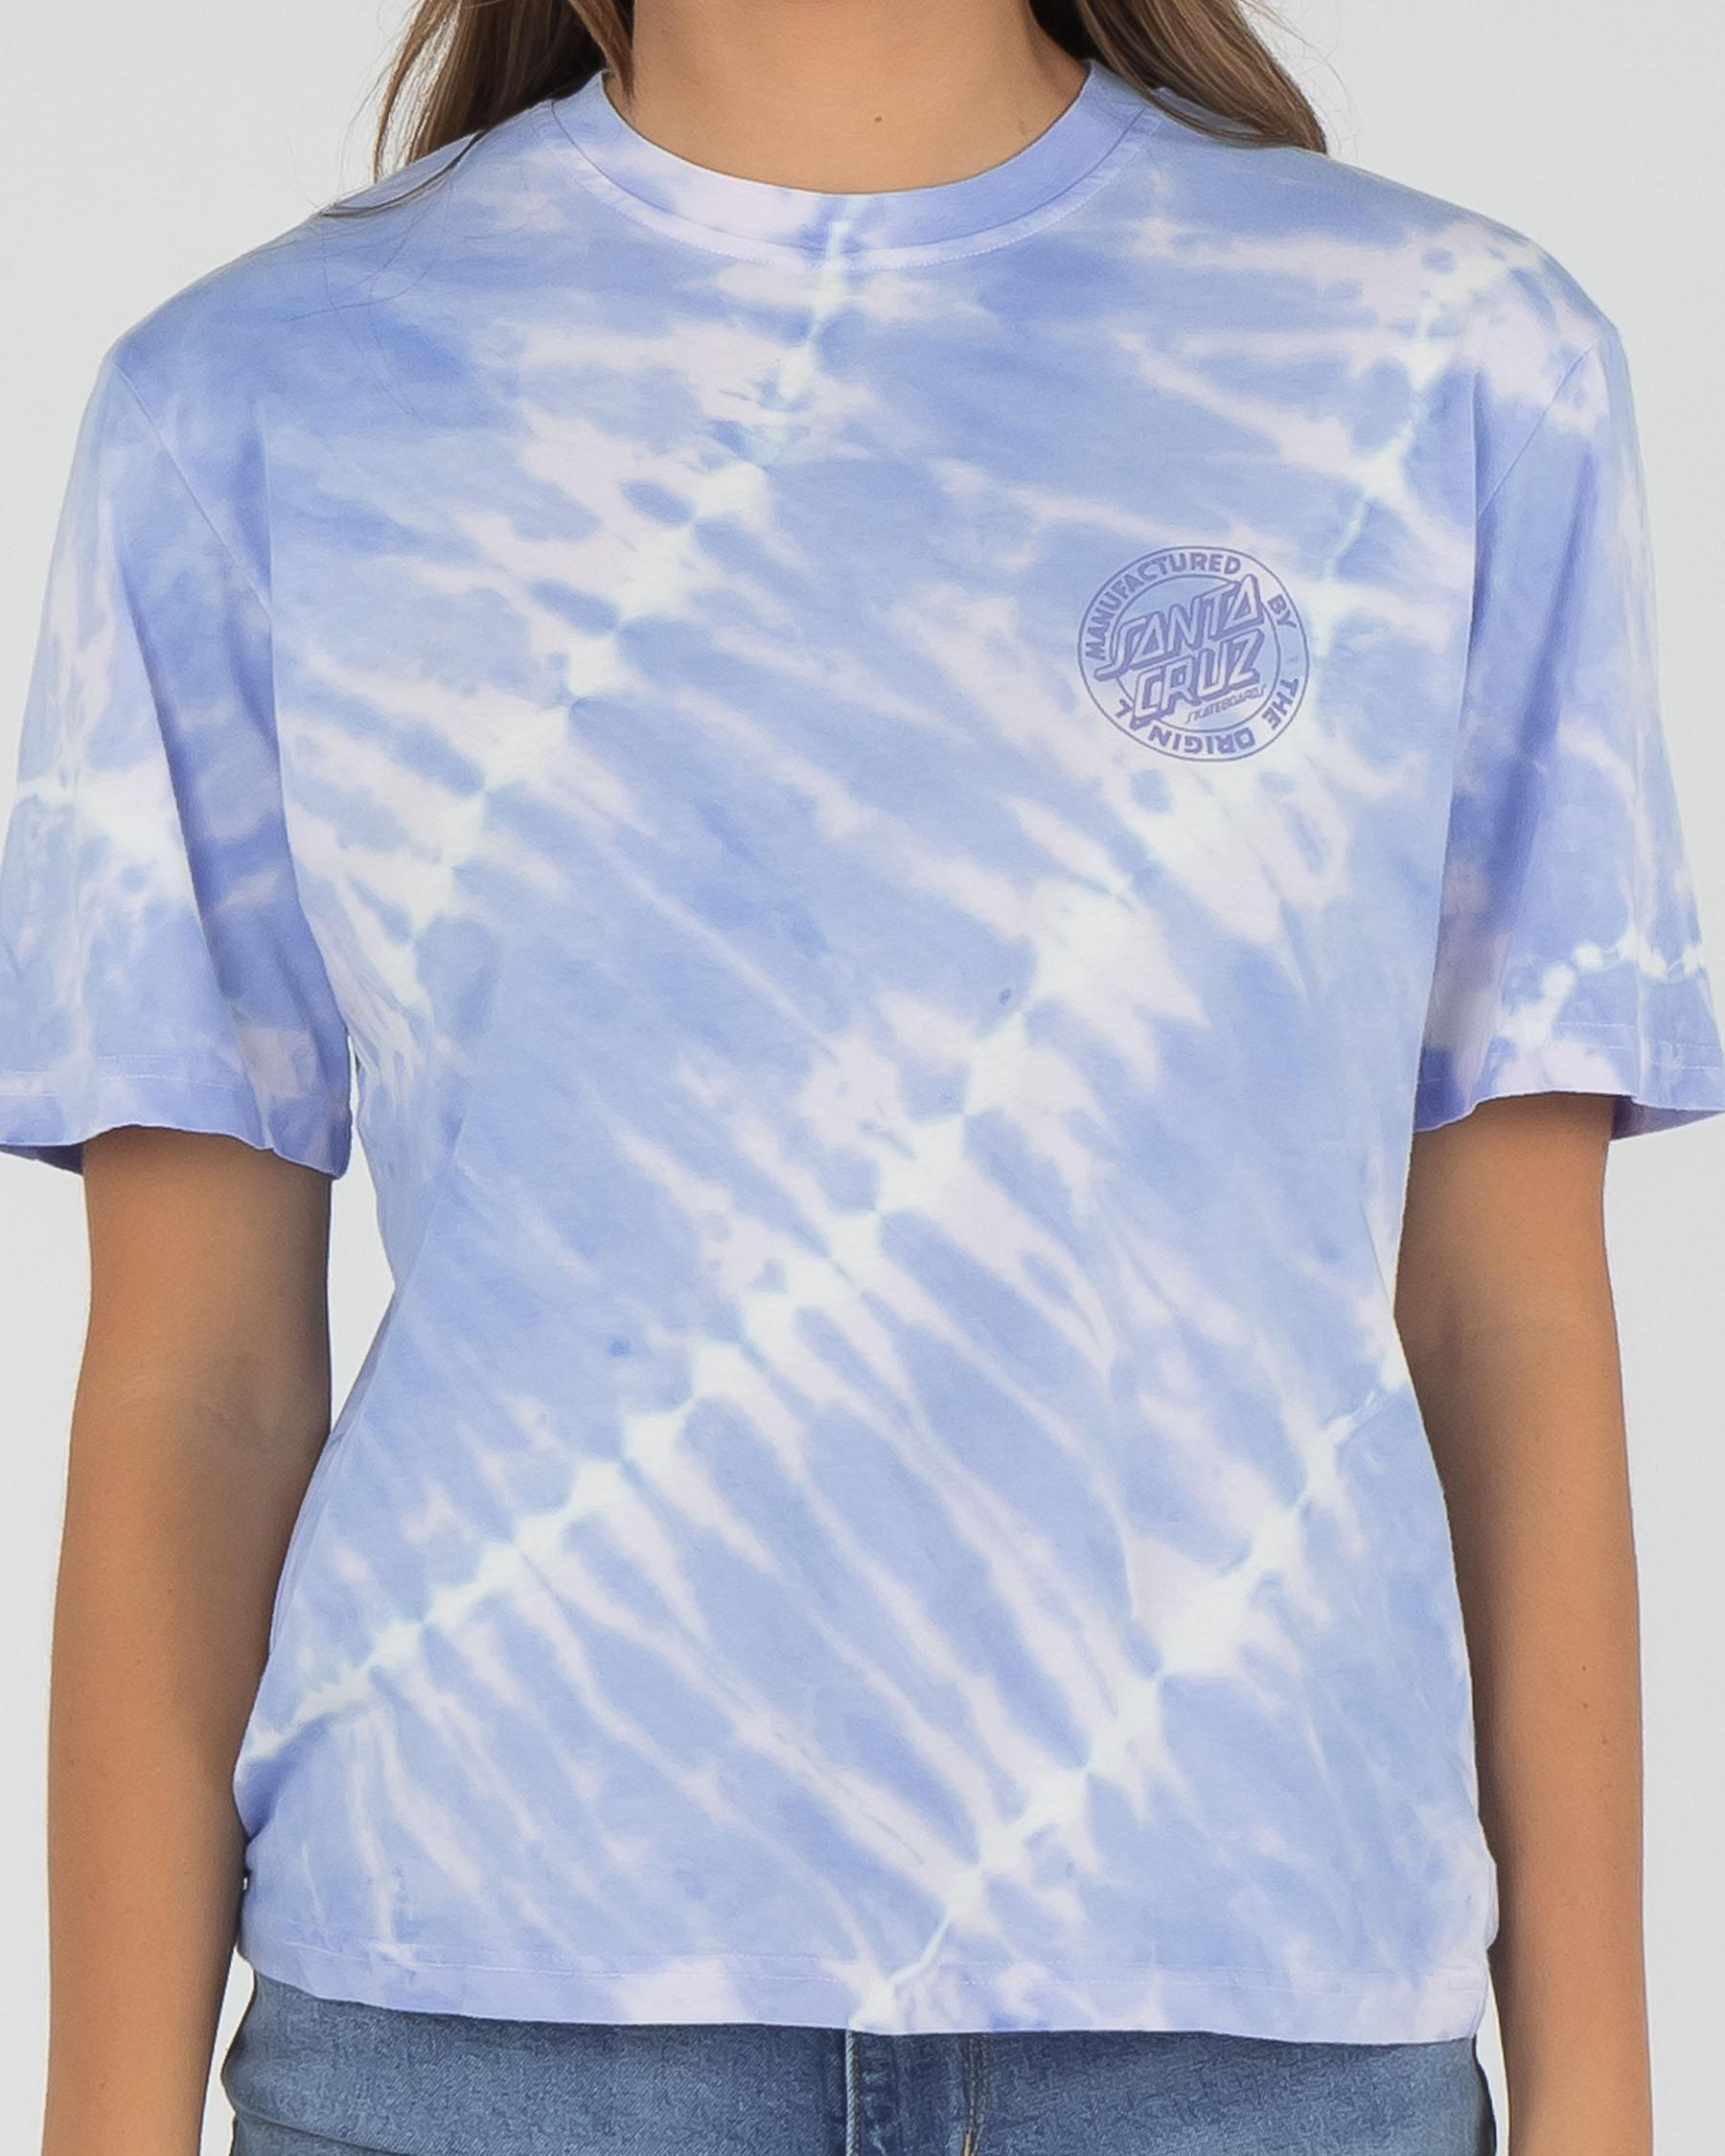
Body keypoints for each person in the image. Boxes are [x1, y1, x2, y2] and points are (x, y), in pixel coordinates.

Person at [4, 1, 1721, 2151]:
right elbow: (199, 1384)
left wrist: (1599, 2103)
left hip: (1259, 2043)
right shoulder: (253, 399)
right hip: (482, 2036)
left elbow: (1509, 1310)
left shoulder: (1446, 366)